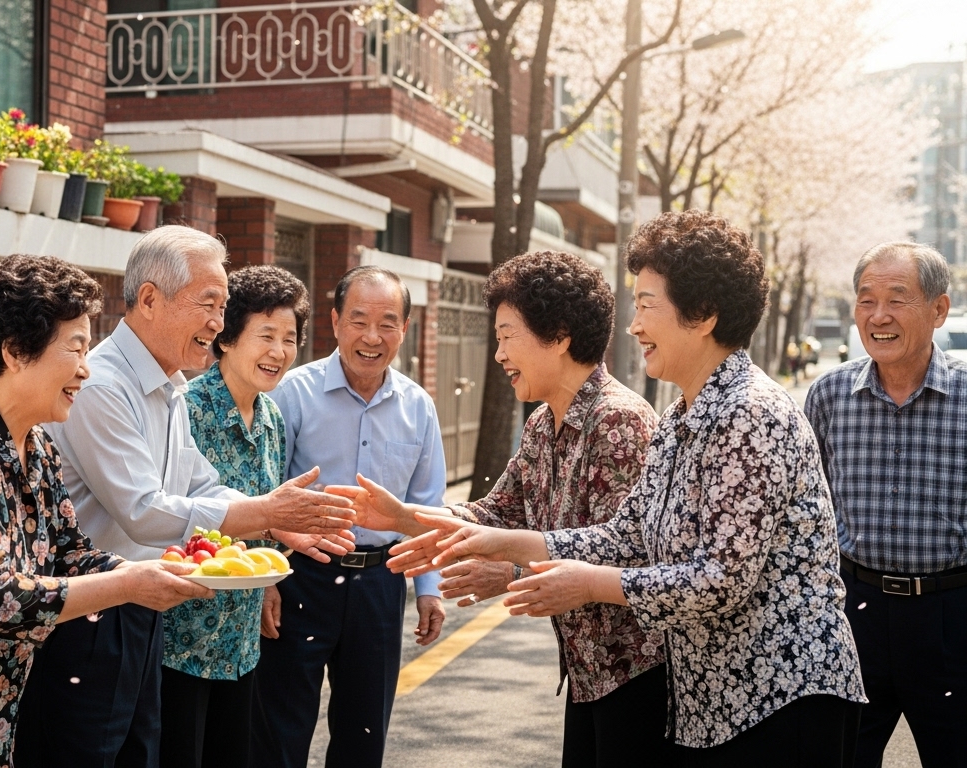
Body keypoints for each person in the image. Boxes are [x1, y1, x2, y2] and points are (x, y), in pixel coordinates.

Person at [391, 211, 866, 765]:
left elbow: (720, 581)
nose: (634, 325)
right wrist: (493, 541)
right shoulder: (680, 418)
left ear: (705, 314)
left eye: (646, 305)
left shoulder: (749, 414)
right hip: (713, 704)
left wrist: (585, 582)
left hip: (780, 697)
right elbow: (626, 534)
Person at [16, 226, 356, 768]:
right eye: (209, 304)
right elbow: (144, 510)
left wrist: (269, 525)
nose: (218, 323)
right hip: (89, 616)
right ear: (149, 298)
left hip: (139, 610)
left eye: (222, 307)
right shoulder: (105, 385)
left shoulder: (167, 385)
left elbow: (198, 485)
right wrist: (265, 512)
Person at [334, 251, 668, 766]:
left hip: (634, 675)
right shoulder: (543, 423)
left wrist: (509, 570)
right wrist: (403, 518)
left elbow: (620, 553)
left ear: (557, 337)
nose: (497, 354)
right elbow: (497, 512)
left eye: (507, 335)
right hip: (587, 672)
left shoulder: (619, 422)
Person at [0, 256, 212, 766]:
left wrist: (149, 571)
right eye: (75, 348)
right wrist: (129, 585)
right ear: (15, 352)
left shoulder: (35, 445)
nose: (86, 368)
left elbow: (72, 553)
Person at [249, 266, 447, 768]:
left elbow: (427, 508)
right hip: (300, 579)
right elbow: (264, 490)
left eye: (388, 322)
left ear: (405, 329)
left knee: (363, 734)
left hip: (380, 584)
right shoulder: (292, 393)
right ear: (335, 322)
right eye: (359, 320)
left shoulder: (418, 408)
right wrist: (265, 578)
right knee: (278, 729)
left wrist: (430, 591)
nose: (372, 337)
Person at [805, 242, 967, 768]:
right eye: (866, 300)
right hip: (856, 610)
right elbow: (809, 516)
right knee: (842, 756)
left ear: (938, 310)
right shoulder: (828, 397)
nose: (879, 316)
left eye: (898, 300)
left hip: (951, 616)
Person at [160, 265, 314, 767]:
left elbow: (260, 514)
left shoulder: (270, 417)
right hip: (180, 636)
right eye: (265, 335)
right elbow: (171, 512)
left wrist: (269, 578)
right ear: (226, 338)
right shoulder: (187, 408)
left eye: (289, 338)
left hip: (241, 640)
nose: (279, 351)